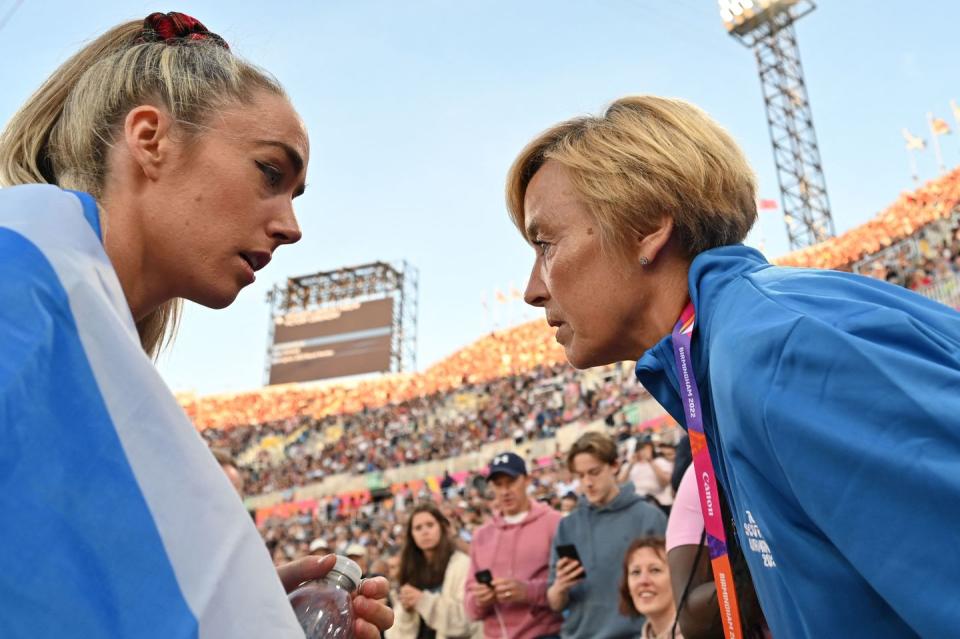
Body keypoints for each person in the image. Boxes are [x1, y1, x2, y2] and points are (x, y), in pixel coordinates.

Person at [506, 95, 960, 637]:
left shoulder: (779, 355)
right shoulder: (727, 354)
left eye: (545, 244)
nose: (534, 290)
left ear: (648, 227)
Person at [0, 11, 391, 638]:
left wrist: (239, 601)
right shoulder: (24, 269)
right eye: (270, 173)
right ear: (151, 138)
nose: (292, 226)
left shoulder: (65, 299)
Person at [546, 432, 666, 638]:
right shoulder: (567, 526)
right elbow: (554, 602)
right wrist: (560, 586)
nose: (587, 482)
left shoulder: (648, 517)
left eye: (594, 472)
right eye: (580, 476)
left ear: (614, 466)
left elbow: (672, 589)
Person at [464, 452, 563, 639]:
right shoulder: (481, 536)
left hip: (544, 634)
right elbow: (470, 607)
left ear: (526, 480)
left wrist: (527, 592)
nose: (504, 491)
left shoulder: (553, 523)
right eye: (498, 484)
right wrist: (480, 599)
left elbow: (569, 587)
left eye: (510, 482)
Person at [387, 503, 482, 639]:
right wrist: (406, 610)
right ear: (412, 535)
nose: (425, 532)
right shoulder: (411, 570)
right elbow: (395, 634)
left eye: (430, 525)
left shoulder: (461, 564)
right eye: (418, 528)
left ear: (441, 527)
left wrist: (422, 600)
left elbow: (467, 620)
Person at [618, 537, 683, 639]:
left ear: (677, 579)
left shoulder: (700, 633)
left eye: (655, 570)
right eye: (636, 572)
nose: (643, 581)